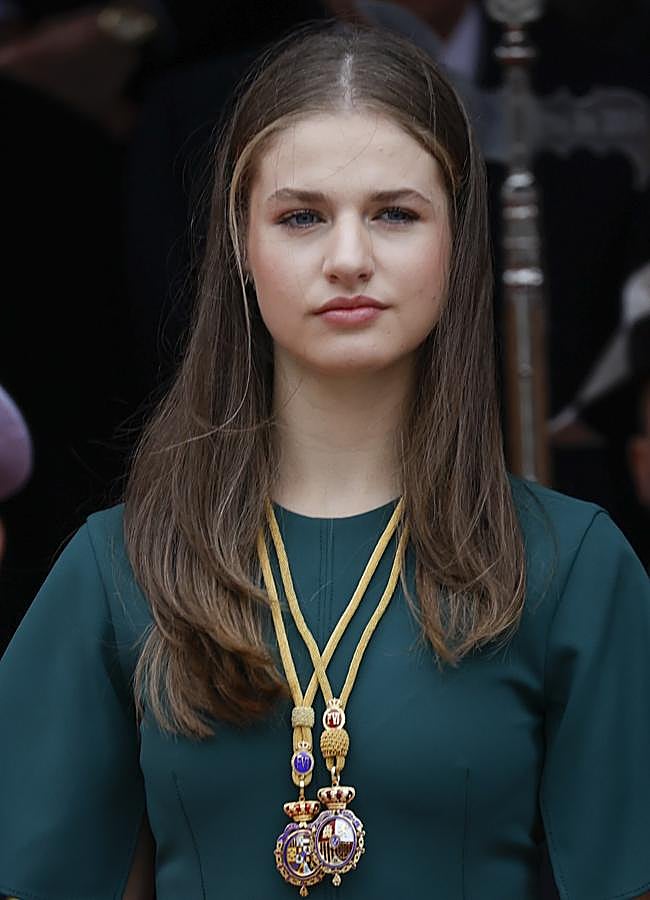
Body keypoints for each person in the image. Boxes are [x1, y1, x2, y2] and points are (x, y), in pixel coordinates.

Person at [0, 22, 649, 900]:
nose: (349, 258)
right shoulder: (117, 570)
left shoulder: (574, 567)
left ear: (456, 243)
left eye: (395, 213)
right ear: (241, 242)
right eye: (302, 216)